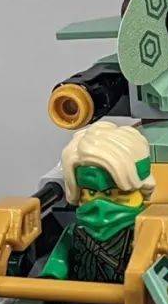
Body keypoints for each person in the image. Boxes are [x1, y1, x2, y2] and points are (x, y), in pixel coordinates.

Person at [40, 121, 155, 284]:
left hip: (129, 297)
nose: (100, 205)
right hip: (77, 296)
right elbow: (57, 264)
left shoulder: (149, 234)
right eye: (91, 193)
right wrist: (51, 278)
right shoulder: (76, 232)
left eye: (114, 194)